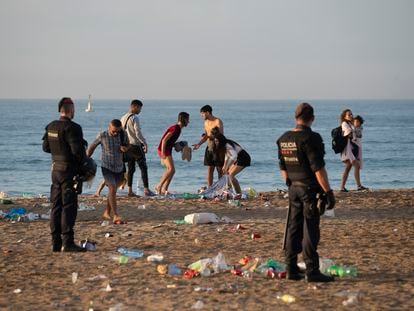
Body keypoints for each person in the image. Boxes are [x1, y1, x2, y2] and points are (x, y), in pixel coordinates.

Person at [277, 102, 336, 282]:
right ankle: (312, 271)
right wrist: (328, 192)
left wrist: (290, 182)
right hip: (309, 189)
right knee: (310, 230)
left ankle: (291, 269)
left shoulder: (284, 138)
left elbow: (282, 166)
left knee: (293, 227)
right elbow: (318, 168)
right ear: (312, 119)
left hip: (293, 187)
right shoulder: (311, 138)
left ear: (296, 118)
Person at [42, 97, 87, 252]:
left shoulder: (51, 126)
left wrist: (59, 151)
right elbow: (78, 153)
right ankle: (67, 242)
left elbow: (46, 148)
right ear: (71, 110)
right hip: (68, 171)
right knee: (69, 206)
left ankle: (55, 242)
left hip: (55, 170)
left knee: (56, 206)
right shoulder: (73, 127)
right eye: (74, 110)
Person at [87, 119, 129, 224]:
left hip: (119, 167)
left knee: (113, 191)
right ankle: (115, 215)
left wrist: (126, 148)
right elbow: (92, 146)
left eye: (117, 131)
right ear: (109, 127)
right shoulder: (102, 135)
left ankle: (107, 212)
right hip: (107, 167)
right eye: (113, 131)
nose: (116, 133)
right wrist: (86, 159)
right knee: (112, 188)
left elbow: (129, 145)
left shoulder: (123, 134)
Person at [120, 99, 154, 197]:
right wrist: (145, 143)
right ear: (135, 107)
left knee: (131, 168)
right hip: (135, 145)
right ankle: (146, 189)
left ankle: (130, 190)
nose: (140, 110)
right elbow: (137, 133)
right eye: (139, 108)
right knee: (143, 167)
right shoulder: (135, 118)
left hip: (127, 146)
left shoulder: (123, 117)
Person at [156, 112, 190, 195]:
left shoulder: (178, 129)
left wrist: (177, 146)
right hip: (164, 149)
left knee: (171, 170)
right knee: (171, 169)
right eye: (188, 119)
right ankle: (159, 186)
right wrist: (163, 152)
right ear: (184, 119)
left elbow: (170, 141)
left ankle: (164, 189)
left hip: (167, 149)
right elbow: (164, 140)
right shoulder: (175, 128)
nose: (189, 122)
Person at [192, 105, 225, 187]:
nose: (202, 116)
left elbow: (220, 136)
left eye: (202, 114)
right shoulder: (206, 122)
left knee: (220, 170)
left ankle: (221, 188)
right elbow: (206, 135)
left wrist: (208, 136)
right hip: (209, 147)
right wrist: (199, 144)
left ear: (207, 112)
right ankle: (210, 188)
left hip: (218, 148)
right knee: (210, 170)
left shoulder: (218, 121)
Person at [211, 129, 251, 196]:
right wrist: (225, 165)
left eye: (217, 141)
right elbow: (227, 156)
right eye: (215, 141)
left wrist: (228, 165)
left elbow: (234, 156)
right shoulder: (225, 145)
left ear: (221, 140)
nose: (216, 143)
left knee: (231, 176)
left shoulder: (227, 145)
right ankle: (229, 191)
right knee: (228, 174)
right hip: (239, 158)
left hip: (244, 158)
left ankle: (239, 193)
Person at [339, 109, 367, 191]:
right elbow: (348, 134)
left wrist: (356, 127)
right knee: (355, 166)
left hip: (352, 148)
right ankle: (358, 186)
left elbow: (358, 134)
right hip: (347, 150)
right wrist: (353, 130)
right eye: (349, 115)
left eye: (351, 114)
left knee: (348, 168)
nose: (351, 116)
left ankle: (343, 187)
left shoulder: (350, 123)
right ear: (344, 116)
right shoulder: (344, 123)